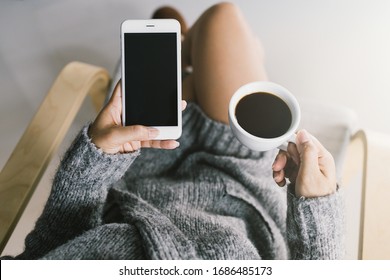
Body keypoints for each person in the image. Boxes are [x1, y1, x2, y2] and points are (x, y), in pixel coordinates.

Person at [2, 3, 343, 260]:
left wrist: (93, 164)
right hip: (237, 184)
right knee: (221, 18)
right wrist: (316, 207)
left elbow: (49, 247)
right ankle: (187, 57)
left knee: (167, 21)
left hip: (141, 168)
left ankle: (183, 57)